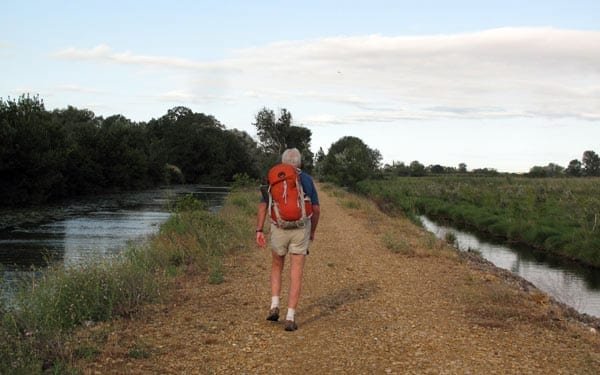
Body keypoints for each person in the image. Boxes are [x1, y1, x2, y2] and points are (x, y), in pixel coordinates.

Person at [255, 148, 320, 331]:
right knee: (296, 272)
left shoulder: (274, 176)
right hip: (300, 229)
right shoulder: (306, 179)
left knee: (277, 266)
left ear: (283, 163)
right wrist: (312, 232)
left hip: (279, 228)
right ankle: (290, 317)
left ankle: (274, 305)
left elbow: (263, 206)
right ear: (299, 163)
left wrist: (259, 230)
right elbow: (315, 210)